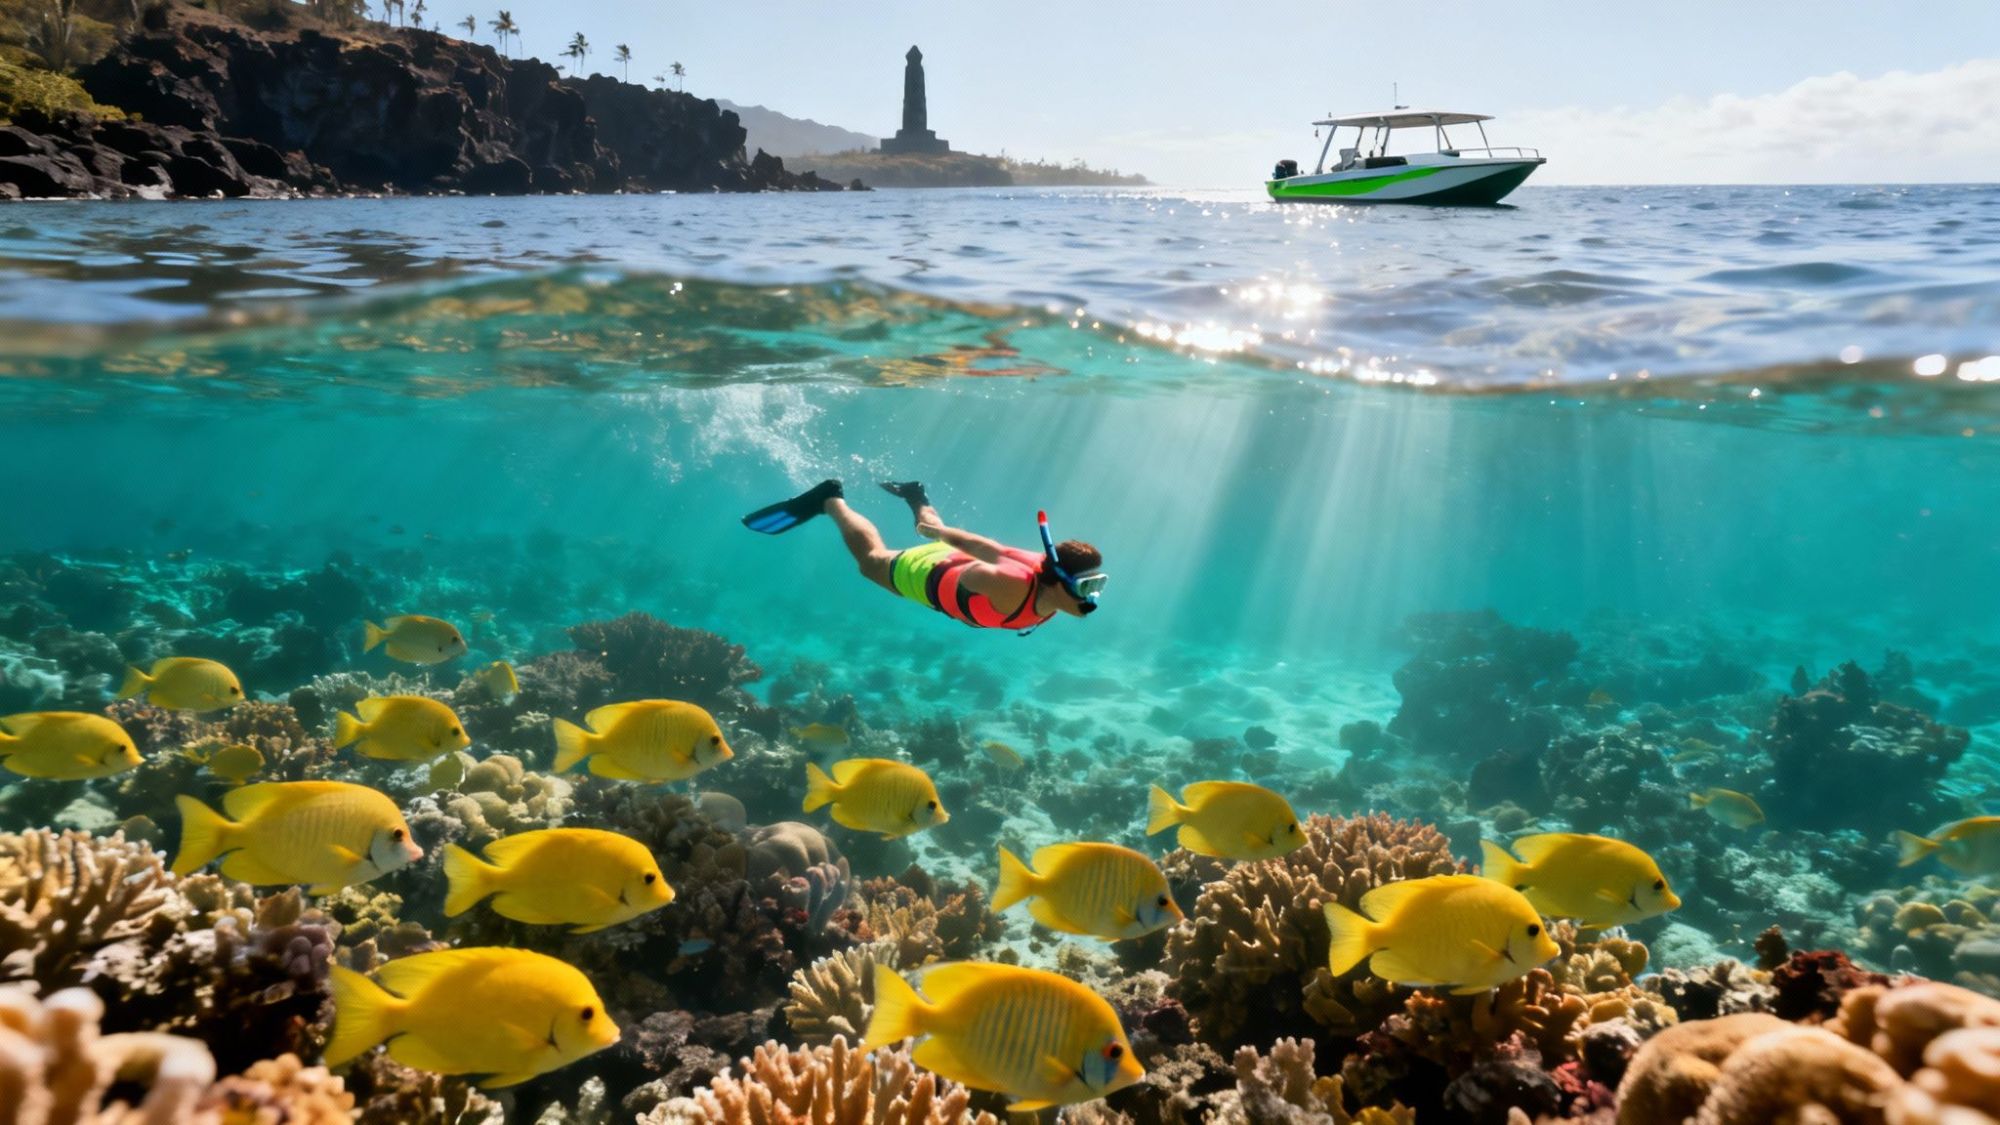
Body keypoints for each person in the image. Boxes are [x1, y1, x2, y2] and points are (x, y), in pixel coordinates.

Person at [741, 480, 1105, 633]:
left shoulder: (1042, 570)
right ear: (1058, 581)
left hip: (947, 564)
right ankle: (830, 499)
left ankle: (916, 496)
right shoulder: (1012, 582)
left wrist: (939, 536)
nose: (1092, 596)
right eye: (1088, 585)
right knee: (870, 562)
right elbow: (979, 564)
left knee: (931, 529)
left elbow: (984, 546)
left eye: (1097, 584)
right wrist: (947, 561)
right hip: (929, 577)